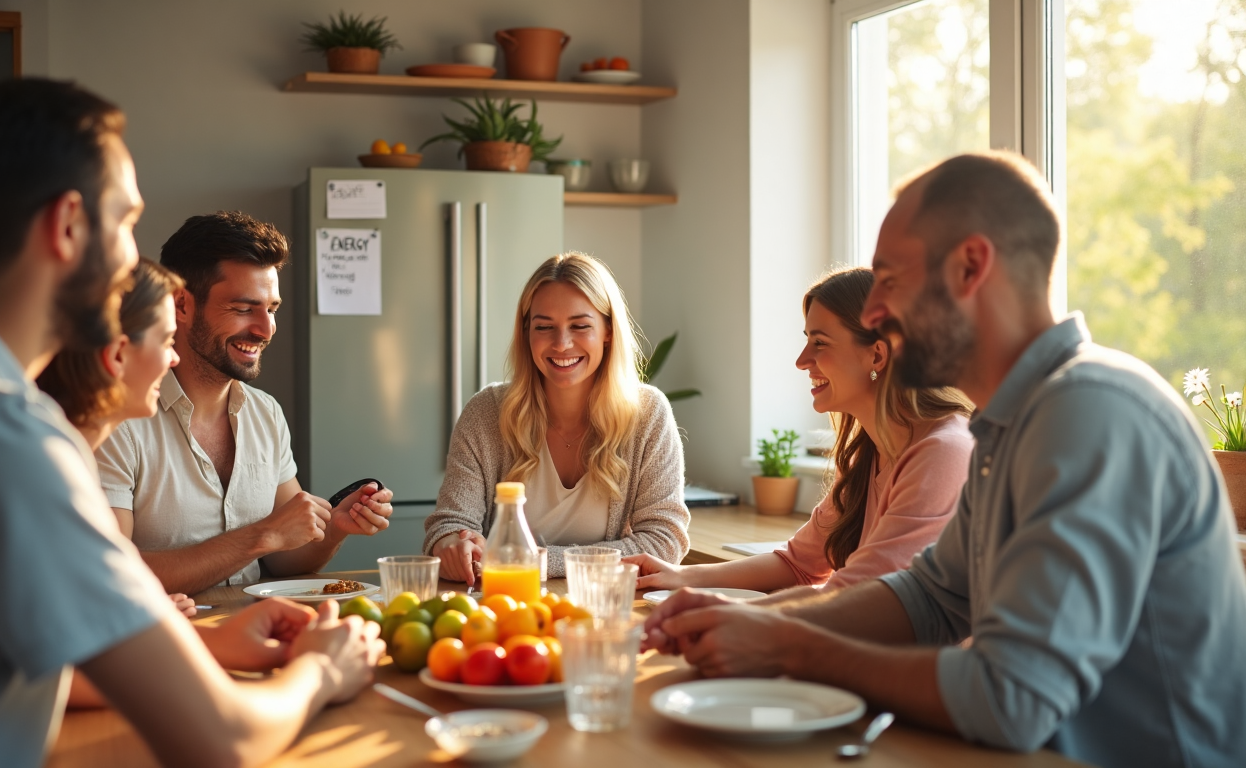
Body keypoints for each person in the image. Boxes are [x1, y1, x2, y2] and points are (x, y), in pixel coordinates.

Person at [644, 151, 1246, 767]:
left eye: (890, 280)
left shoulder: (1088, 413)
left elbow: (1012, 697)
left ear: (970, 267)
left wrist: (791, 647)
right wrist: (764, 624)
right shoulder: (1010, 425)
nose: (874, 313)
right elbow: (931, 597)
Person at [0, 77, 383, 768]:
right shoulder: (1, 438)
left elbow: (12, 658)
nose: (138, 265)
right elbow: (223, 740)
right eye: (125, 223)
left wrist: (213, 642)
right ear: (67, 227)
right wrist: (324, 671)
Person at [97, 212, 395, 595]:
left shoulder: (265, 413)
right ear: (181, 305)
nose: (265, 329)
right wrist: (262, 535)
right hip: (170, 642)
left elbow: (284, 556)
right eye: (242, 309)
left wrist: (335, 527)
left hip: (255, 633)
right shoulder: (119, 419)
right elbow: (109, 571)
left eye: (271, 309)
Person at [625, 267, 973, 595]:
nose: (802, 360)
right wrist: (680, 576)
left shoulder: (944, 453)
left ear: (877, 356)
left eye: (820, 343)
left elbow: (865, 596)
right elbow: (799, 564)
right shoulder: (867, 454)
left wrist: (729, 611)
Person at [424, 252, 689, 583]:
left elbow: (663, 542)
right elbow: (448, 525)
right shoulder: (487, 412)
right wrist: (453, 545)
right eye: (544, 327)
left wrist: (540, 562)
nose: (562, 344)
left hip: (601, 609)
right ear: (527, 333)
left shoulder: (648, 415)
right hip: (505, 609)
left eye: (580, 326)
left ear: (608, 330)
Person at [38, 259, 196, 616]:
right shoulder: (50, 476)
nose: (174, 358)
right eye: (168, 341)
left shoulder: (67, 458)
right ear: (118, 354)